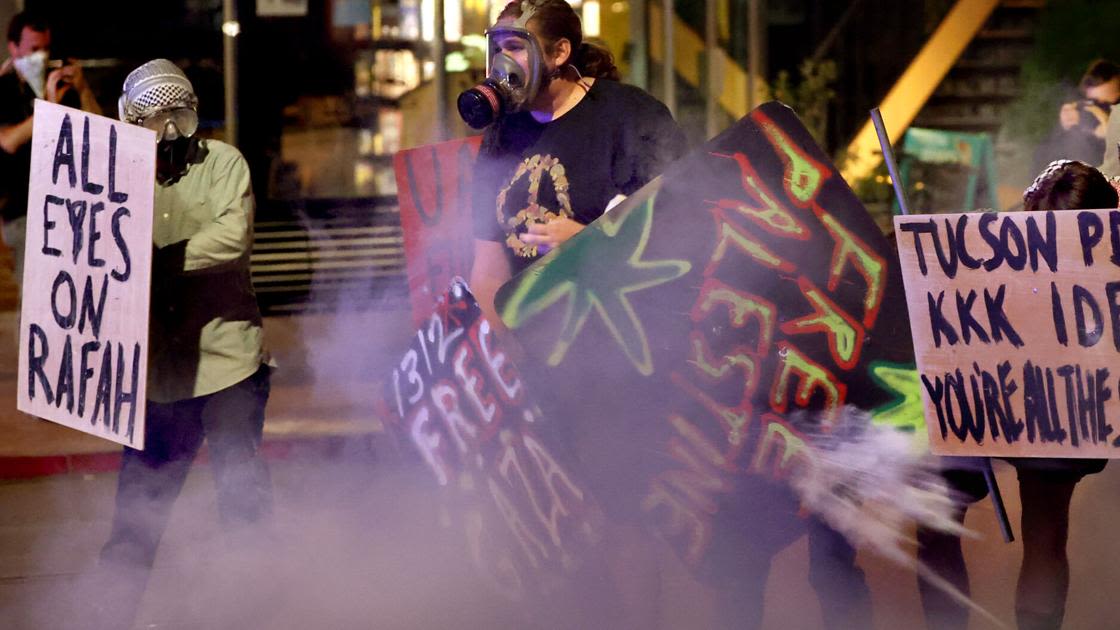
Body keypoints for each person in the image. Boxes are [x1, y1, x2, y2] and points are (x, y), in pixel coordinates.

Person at [90, 58, 273, 627]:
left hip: (226, 365)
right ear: (129, 120)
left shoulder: (224, 164)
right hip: (155, 376)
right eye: (153, 119)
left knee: (243, 507)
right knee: (134, 523)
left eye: (178, 116)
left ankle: (263, 614)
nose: (167, 132)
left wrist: (154, 262)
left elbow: (232, 237)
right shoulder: (111, 177)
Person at [917, 160, 1113, 630]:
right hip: (1021, 404)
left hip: (1019, 400)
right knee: (1040, 535)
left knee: (943, 523)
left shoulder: (985, 249)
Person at [467, 0, 686, 330]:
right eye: (497, 48)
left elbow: (682, 233)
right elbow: (487, 269)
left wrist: (589, 244)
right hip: (536, 345)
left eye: (515, 47)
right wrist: (509, 357)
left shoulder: (629, 116)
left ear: (559, 53)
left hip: (619, 340)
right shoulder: (502, 131)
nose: (502, 61)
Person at [0, 10, 100, 285]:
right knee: (35, 295)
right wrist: (49, 110)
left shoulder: (57, 82)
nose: (41, 56)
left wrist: (82, 89)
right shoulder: (5, 88)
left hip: (68, 210)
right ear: (14, 48)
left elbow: (100, 129)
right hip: (24, 210)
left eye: (46, 48)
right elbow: (8, 140)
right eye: (34, 49)